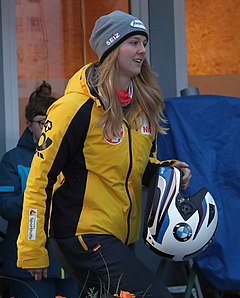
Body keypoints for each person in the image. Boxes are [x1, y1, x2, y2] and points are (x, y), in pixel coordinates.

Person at [17, 11, 191, 298]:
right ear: (111, 49)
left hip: (120, 237)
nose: (142, 50)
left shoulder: (141, 107)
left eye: (143, 43)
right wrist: (32, 248)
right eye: (133, 42)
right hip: (82, 235)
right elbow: (39, 179)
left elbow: (139, 168)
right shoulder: (74, 108)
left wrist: (168, 171)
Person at [0, 82, 79, 298]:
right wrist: (39, 197)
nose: (47, 128)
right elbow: (6, 207)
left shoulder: (71, 157)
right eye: (42, 122)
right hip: (28, 267)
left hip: (68, 262)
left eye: (51, 123)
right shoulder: (13, 160)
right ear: (28, 124)